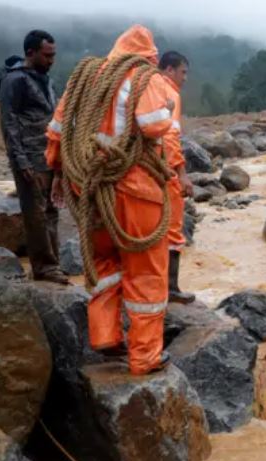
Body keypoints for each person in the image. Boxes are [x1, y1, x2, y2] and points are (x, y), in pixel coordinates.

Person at [47, 25, 175, 375]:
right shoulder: (143, 76)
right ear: (148, 55)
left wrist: (58, 172)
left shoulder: (86, 77)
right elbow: (152, 123)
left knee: (105, 262)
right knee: (145, 269)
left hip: (88, 187)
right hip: (132, 189)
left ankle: (106, 338)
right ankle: (145, 356)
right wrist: (169, 103)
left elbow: (57, 130)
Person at [0, 30, 69, 284]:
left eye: (53, 55)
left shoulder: (45, 80)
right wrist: (20, 160)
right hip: (29, 157)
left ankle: (53, 264)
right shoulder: (14, 81)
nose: (51, 60)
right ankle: (43, 266)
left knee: (51, 211)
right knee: (36, 214)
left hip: (48, 156)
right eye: (47, 55)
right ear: (31, 53)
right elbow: (9, 123)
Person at [158, 50, 196, 304]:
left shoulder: (148, 87)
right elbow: (170, 137)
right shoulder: (169, 92)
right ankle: (170, 288)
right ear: (169, 69)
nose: (185, 78)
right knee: (172, 228)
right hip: (165, 171)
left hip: (146, 171)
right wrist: (181, 173)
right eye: (183, 72)